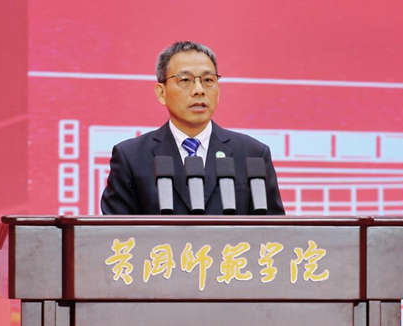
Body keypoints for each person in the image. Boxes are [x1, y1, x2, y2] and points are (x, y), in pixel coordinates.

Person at [100, 41, 285, 215]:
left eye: (208, 80)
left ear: (218, 90)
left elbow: (274, 231)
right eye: (185, 80)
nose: (199, 90)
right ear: (161, 93)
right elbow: (117, 233)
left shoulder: (252, 155)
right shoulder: (131, 157)